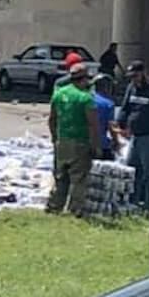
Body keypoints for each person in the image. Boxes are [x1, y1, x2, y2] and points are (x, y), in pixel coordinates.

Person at [46, 62, 99, 217]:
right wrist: (96, 145)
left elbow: (52, 119)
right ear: (84, 79)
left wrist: (55, 138)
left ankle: (54, 207)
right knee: (79, 178)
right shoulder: (86, 98)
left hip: (62, 141)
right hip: (80, 142)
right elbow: (93, 124)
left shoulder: (59, 94)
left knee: (60, 176)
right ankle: (74, 210)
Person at [116, 60, 149, 209]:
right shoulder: (132, 88)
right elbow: (125, 107)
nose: (133, 79)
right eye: (131, 77)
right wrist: (121, 123)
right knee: (132, 170)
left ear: (143, 73)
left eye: (136, 76)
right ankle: (132, 204)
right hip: (135, 137)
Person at [93, 75, 118, 161]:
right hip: (101, 144)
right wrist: (116, 141)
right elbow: (111, 126)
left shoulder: (85, 99)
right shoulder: (108, 103)